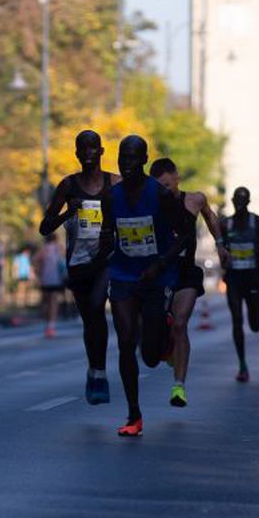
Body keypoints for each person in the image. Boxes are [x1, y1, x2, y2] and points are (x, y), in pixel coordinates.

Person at [105, 135, 195, 438]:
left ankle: (164, 340)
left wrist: (160, 264)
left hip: (157, 277)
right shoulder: (111, 196)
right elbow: (108, 235)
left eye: (133, 158)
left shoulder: (160, 194)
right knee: (126, 341)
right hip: (123, 275)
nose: (126, 164)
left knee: (151, 356)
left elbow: (184, 233)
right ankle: (134, 414)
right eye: (122, 157)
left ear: (144, 161)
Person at [39, 130, 117, 403]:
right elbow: (44, 227)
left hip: (106, 259)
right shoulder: (68, 186)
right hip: (79, 262)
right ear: (76, 153)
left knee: (97, 307)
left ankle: (101, 372)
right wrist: (66, 214)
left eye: (93, 148)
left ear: (101, 151)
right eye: (82, 148)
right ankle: (94, 370)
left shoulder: (114, 183)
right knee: (90, 320)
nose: (88, 153)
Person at [148, 157, 228, 406]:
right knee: (156, 333)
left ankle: (178, 386)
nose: (165, 192)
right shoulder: (150, 203)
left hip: (184, 273)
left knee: (180, 323)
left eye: (168, 186)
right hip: (158, 272)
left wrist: (220, 245)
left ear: (177, 178)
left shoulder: (194, 199)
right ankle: (169, 346)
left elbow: (210, 216)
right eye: (159, 187)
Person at [220, 187, 259, 382]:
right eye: (237, 200)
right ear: (232, 201)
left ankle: (255, 318)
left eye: (243, 200)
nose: (240, 203)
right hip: (234, 278)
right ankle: (242, 365)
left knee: (255, 325)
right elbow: (219, 246)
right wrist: (223, 259)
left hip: (253, 278)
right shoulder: (225, 224)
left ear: (249, 202)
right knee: (237, 320)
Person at [33, 232, 67, 339]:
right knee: (53, 301)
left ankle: (47, 323)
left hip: (45, 279)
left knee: (46, 301)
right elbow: (67, 258)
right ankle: (51, 326)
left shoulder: (43, 249)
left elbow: (34, 260)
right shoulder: (59, 248)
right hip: (56, 279)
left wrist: (38, 273)